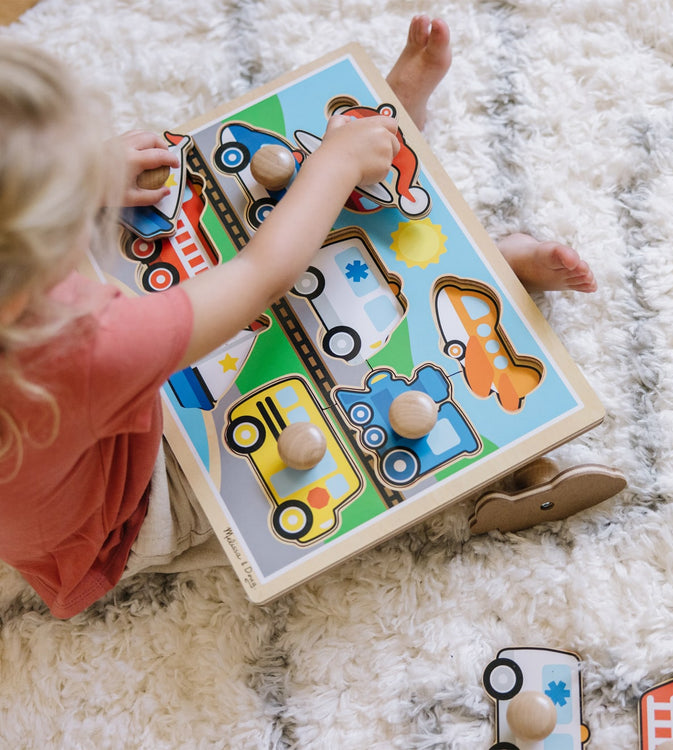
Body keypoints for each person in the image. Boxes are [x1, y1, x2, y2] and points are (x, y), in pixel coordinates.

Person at [0, 17, 595, 619]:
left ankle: (394, 157)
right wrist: (330, 169)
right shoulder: (83, 349)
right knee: (326, 482)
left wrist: (80, 183)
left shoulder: (38, 322)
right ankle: (499, 474)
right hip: (137, 504)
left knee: (269, 246)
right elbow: (264, 274)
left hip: (73, 440)